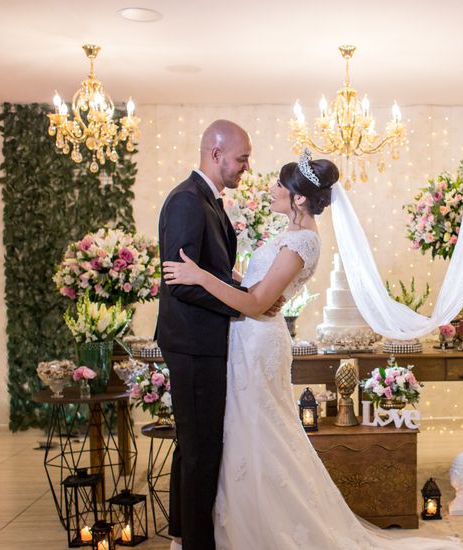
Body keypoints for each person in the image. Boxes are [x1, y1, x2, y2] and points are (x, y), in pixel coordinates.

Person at [163, 151, 463, 549]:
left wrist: (200, 276)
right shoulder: (290, 236)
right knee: (243, 433)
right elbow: (256, 285)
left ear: (300, 198)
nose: (271, 189)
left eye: (280, 186)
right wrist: (232, 278)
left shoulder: (303, 241)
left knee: (261, 431)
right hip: (247, 340)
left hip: (257, 341)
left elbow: (255, 303)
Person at [156, 119, 283, 550]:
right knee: (201, 449)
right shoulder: (187, 202)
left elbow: (207, 270)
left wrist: (245, 289)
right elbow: (183, 280)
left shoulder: (208, 201)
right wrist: (244, 303)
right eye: (242, 158)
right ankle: (196, 543)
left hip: (204, 341)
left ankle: (180, 536)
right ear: (215, 154)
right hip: (193, 344)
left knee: (196, 444)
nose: (247, 166)